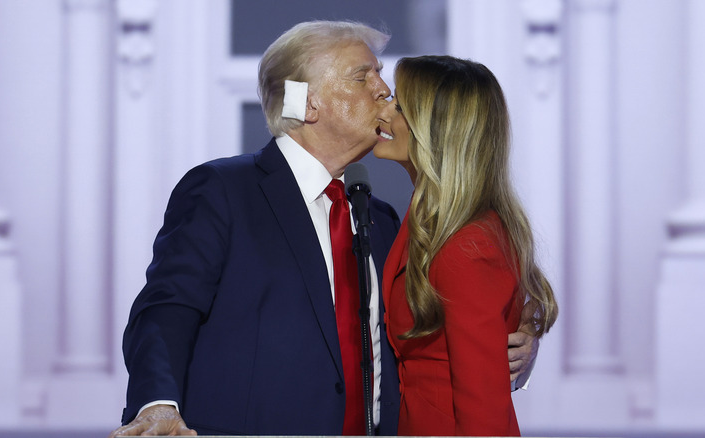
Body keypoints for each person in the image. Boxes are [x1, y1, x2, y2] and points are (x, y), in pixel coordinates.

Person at [109, 21, 539, 437]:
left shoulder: (384, 221)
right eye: (362, 76)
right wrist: (157, 402)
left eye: (380, 74)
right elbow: (166, 310)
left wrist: (521, 342)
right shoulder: (222, 192)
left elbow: (444, 331)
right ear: (307, 103)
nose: (384, 89)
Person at [373, 55, 558, 436]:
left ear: (436, 129)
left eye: (401, 105)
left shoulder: (468, 245)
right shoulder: (434, 224)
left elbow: (483, 408)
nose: (385, 109)